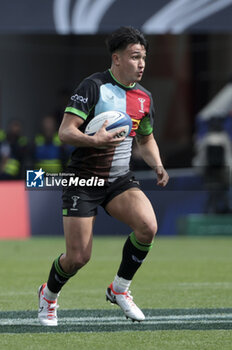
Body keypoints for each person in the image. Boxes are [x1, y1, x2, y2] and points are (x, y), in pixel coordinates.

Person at [38, 26, 169, 326]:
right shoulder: (93, 86)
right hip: (84, 180)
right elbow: (65, 131)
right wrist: (94, 140)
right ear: (117, 58)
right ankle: (48, 295)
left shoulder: (144, 98)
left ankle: (119, 289)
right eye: (135, 57)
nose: (141, 64)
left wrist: (158, 164)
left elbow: (145, 138)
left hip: (120, 180)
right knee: (78, 258)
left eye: (144, 58)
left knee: (148, 226)